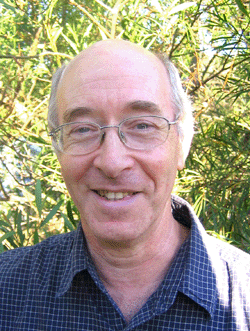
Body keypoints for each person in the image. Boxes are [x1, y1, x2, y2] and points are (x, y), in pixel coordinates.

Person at [0, 40, 249, 331]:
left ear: (181, 143)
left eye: (142, 125)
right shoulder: (7, 291)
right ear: (59, 149)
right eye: (82, 129)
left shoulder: (243, 300)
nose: (112, 162)